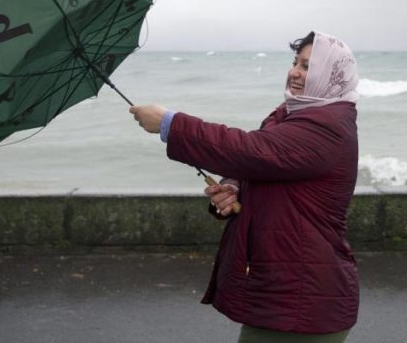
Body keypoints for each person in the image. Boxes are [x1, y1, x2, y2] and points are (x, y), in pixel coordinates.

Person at [130, 31, 360, 342]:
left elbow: (250, 150)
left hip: (305, 300)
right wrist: (233, 186)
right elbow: (258, 163)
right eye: (295, 63)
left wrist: (172, 124)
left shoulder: (327, 127)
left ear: (330, 75)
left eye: (307, 66)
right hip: (288, 294)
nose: (294, 72)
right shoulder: (288, 116)